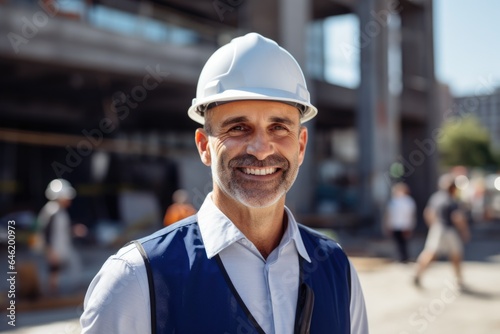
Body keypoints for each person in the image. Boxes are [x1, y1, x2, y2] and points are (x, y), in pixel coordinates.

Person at [80, 32, 368, 333]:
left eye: (279, 127)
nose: (261, 148)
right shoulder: (136, 280)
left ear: (300, 146)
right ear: (204, 146)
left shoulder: (338, 270)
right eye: (239, 127)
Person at [413, 174, 471, 288]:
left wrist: (433, 226)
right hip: (448, 230)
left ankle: (417, 273)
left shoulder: (436, 197)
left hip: (437, 228)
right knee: (456, 255)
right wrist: (465, 231)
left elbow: (428, 212)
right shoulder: (451, 200)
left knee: (430, 253)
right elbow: (457, 217)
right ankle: (459, 279)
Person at [37, 178, 81, 295]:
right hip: (56, 248)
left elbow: (61, 230)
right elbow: (45, 232)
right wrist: (50, 250)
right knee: (54, 270)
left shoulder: (59, 211)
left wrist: (73, 230)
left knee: (58, 270)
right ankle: (54, 292)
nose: (69, 200)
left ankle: (58, 291)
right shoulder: (52, 211)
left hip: (61, 247)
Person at [383, 182, 416, 263]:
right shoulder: (394, 201)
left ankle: (404, 258)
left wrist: (409, 226)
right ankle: (400, 257)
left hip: (403, 225)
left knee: (403, 242)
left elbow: (410, 215)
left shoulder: (407, 201)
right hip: (397, 224)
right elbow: (389, 214)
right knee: (398, 242)